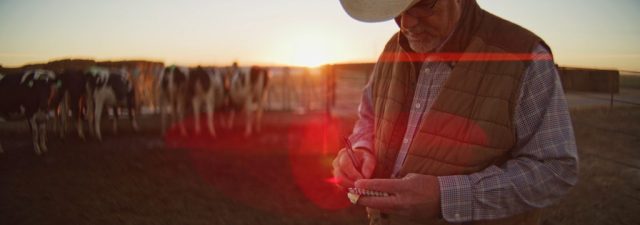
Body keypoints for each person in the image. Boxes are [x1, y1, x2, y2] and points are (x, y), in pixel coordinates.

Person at [331, 0, 578, 224]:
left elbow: (555, 169)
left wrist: (446, 197)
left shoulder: (525, 58)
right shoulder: (391, 49)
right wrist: (361, 148)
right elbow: (370, 115)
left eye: (424, 4)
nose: (406, 23)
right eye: (396, 9)